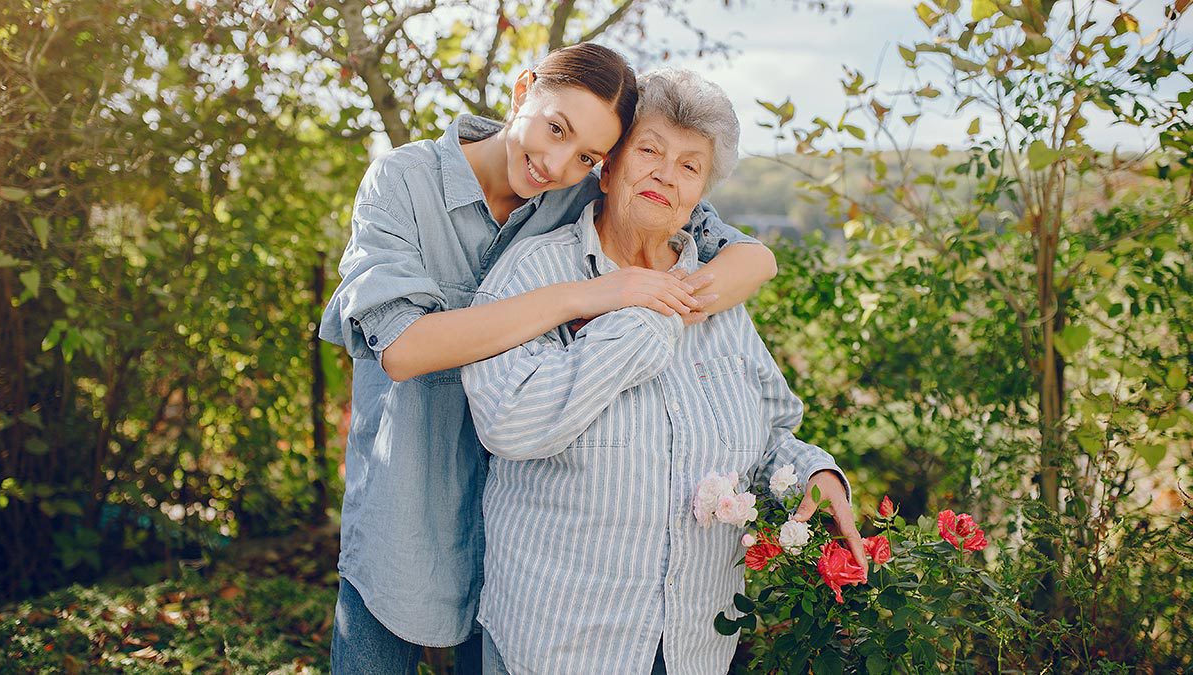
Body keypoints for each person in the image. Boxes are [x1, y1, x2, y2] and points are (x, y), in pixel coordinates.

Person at [319, 44, 779, 674]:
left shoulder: (579, 187)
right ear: (523, 89)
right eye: (555, 128)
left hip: (530, 535)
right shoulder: (404, 181)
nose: (557, 164)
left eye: (588, 156)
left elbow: (745, 254)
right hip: (413, 502)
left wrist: (677, 304)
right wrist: (587, 295)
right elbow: (403, 350)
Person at [462, 68, 865, 674]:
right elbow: (509, 424)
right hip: (557, 644)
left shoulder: (717, 291)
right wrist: (647, 320)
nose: (664, 175)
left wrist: (810, 471)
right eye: (649, 150)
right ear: (610, 162)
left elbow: (769, 431)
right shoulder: (537, 274)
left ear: (702, 192)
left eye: (689, 165)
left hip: (692, 645)